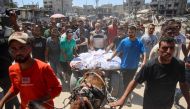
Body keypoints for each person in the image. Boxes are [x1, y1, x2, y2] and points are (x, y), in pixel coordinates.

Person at [109, 36, 190, 109]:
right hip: (150, 105)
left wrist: (188, 102)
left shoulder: (179, 65)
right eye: (165, 48)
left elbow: (183, 84)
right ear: (159, 50)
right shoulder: (150, 66)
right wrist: (123, 99)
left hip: (167, 104)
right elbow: (135, 81)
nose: (169, 51)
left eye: (171, 48)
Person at [0, 32, 62, 109]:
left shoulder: (43, 68)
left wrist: (39, 101)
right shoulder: (12, 69)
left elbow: (57, 88)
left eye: (22, 47)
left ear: (30, 47)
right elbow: (15, 87)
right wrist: (2, 101)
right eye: (13, 49)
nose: (18, 52)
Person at [107, 25, 146, 106]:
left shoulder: (139, 42)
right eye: (129, 32)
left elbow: (144, 52)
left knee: (130, 81)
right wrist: (110, 58)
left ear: (135, 32)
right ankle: (126, 96)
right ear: (127, 32)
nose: (130, 33)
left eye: (132, 32)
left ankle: (127, 97)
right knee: (125, 82)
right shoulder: (124, 41)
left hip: (134, 67)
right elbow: (117, 51)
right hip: (124, 66)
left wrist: (144, 61)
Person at [0, 11, 20, 109]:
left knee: (8, 91)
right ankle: (17, 104)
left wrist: (14, 23)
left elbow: (20, 35)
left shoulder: (7, 31)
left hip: (5, 67)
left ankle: (15, 104)